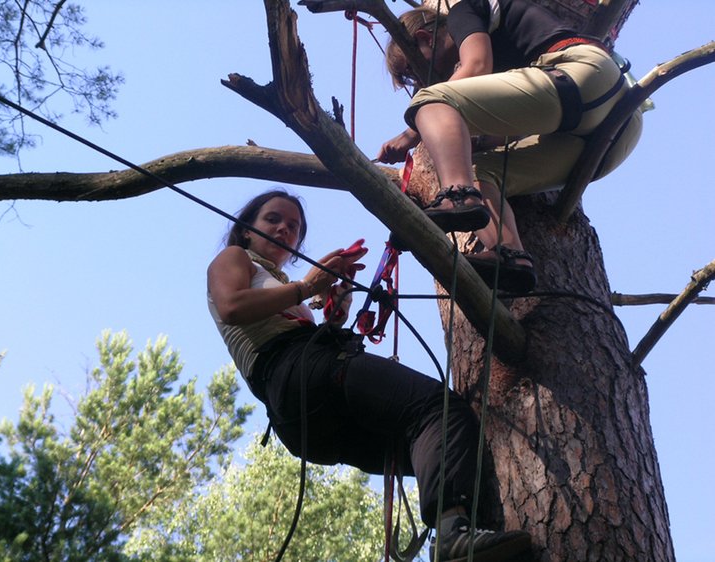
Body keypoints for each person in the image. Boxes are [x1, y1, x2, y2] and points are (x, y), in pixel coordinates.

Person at [207, 189, 532, 561]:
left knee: (434, 448)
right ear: (247, 230)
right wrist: (306, 288)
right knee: (438, 411)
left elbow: (287, 327)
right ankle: (452, 537)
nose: (284, 229)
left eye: (293, 227)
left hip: (302, 419)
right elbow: (231, 306)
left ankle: (458, 530)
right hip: (296, 372)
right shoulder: (235, 258)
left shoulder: (279, 284)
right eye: (272, 219)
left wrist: (333, 312)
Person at [378, 1, 643, 293]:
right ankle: (509, 253)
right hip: (614, 136)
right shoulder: (506, 70)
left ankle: (457, 195)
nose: (414, 79)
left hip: (584, 73)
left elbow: (476, 66)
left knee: (430, 100)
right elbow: (511, 128)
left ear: (424, 38)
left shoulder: (464, 10)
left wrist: (411, 133)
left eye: (409, 71)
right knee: (481, 173)